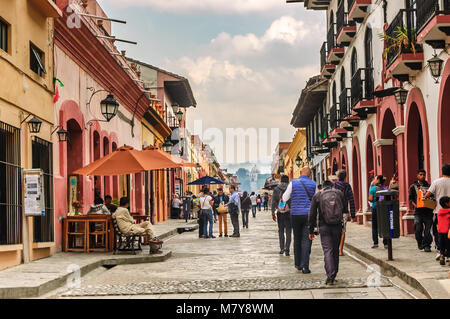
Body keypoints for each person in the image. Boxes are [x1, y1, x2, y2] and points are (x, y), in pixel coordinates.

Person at [309, 180, 347, 285]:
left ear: (322, 187)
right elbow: (345, 209)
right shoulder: (339, 193)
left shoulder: (318, 195)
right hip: (337, 226)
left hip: (324, 226)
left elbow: (311, 214)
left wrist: (311, 229)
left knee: (328, 250)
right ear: (332, 186)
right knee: (335, 250)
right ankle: (334, 274)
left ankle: (330, 275)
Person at [282, 167, 316, 273]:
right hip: (308, 215)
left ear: (300, 173)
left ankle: (297, 264)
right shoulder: (314, 185)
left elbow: (284, 198)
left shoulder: (293, 183)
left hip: (295, 214)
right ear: (310, 175)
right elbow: (317, 199)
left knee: (297, 238)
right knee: (306, 240)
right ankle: (305, 266)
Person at [425, 164, 450, 258]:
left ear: (442, 172)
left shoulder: (436, 182)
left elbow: (427, 195)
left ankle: (440, 250)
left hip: (439, 212)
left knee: (438, 231)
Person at [408, 170, 434, 252]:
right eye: (420, 174)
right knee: (418, 227)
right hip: (418, 212)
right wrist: (416, 206)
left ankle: (427, 245)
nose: (422, 176)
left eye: (424, 175)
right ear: (417, 176)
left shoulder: (430, 186)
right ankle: (420, 242)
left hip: (428, 211)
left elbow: (433, 197)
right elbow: (411, 199)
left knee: (428, 229)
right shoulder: (413, 186)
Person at [334, 170, 356, 256]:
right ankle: (340, 250)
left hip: (335, 211)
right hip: (344, 211)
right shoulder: (347, 186)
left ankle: (336, 248)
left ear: (338, 176)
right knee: (343, 230)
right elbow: (351, 199)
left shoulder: (335, 185)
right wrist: (353, 213)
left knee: (335, 229)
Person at [272, 175, 292, 256]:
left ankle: (281, 248)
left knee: (280, 231)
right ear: (288, 181)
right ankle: (287, 249)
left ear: (280, 180)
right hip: (289, 212)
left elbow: (273, 202)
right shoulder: (290, 188)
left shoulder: (276, 189)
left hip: (280, 212)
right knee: (288, 231)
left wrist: (273, 213)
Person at [368, 175, 389, 249]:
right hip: (384, 208)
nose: (374, 180)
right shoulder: (385, 188)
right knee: (384, 225)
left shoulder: (373, 188)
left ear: (377, 180)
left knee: (375, 226)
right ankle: (386, 243)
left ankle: (376, 243)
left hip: (375, 208)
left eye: (375, 179)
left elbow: (370, 199)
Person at [437, 197, 450, 265]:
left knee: (442, 245)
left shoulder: (439, 212)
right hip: (448, 232)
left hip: (440, 232)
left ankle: (442, 256)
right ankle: (449, 258)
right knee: (448, 246)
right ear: (446, 203)